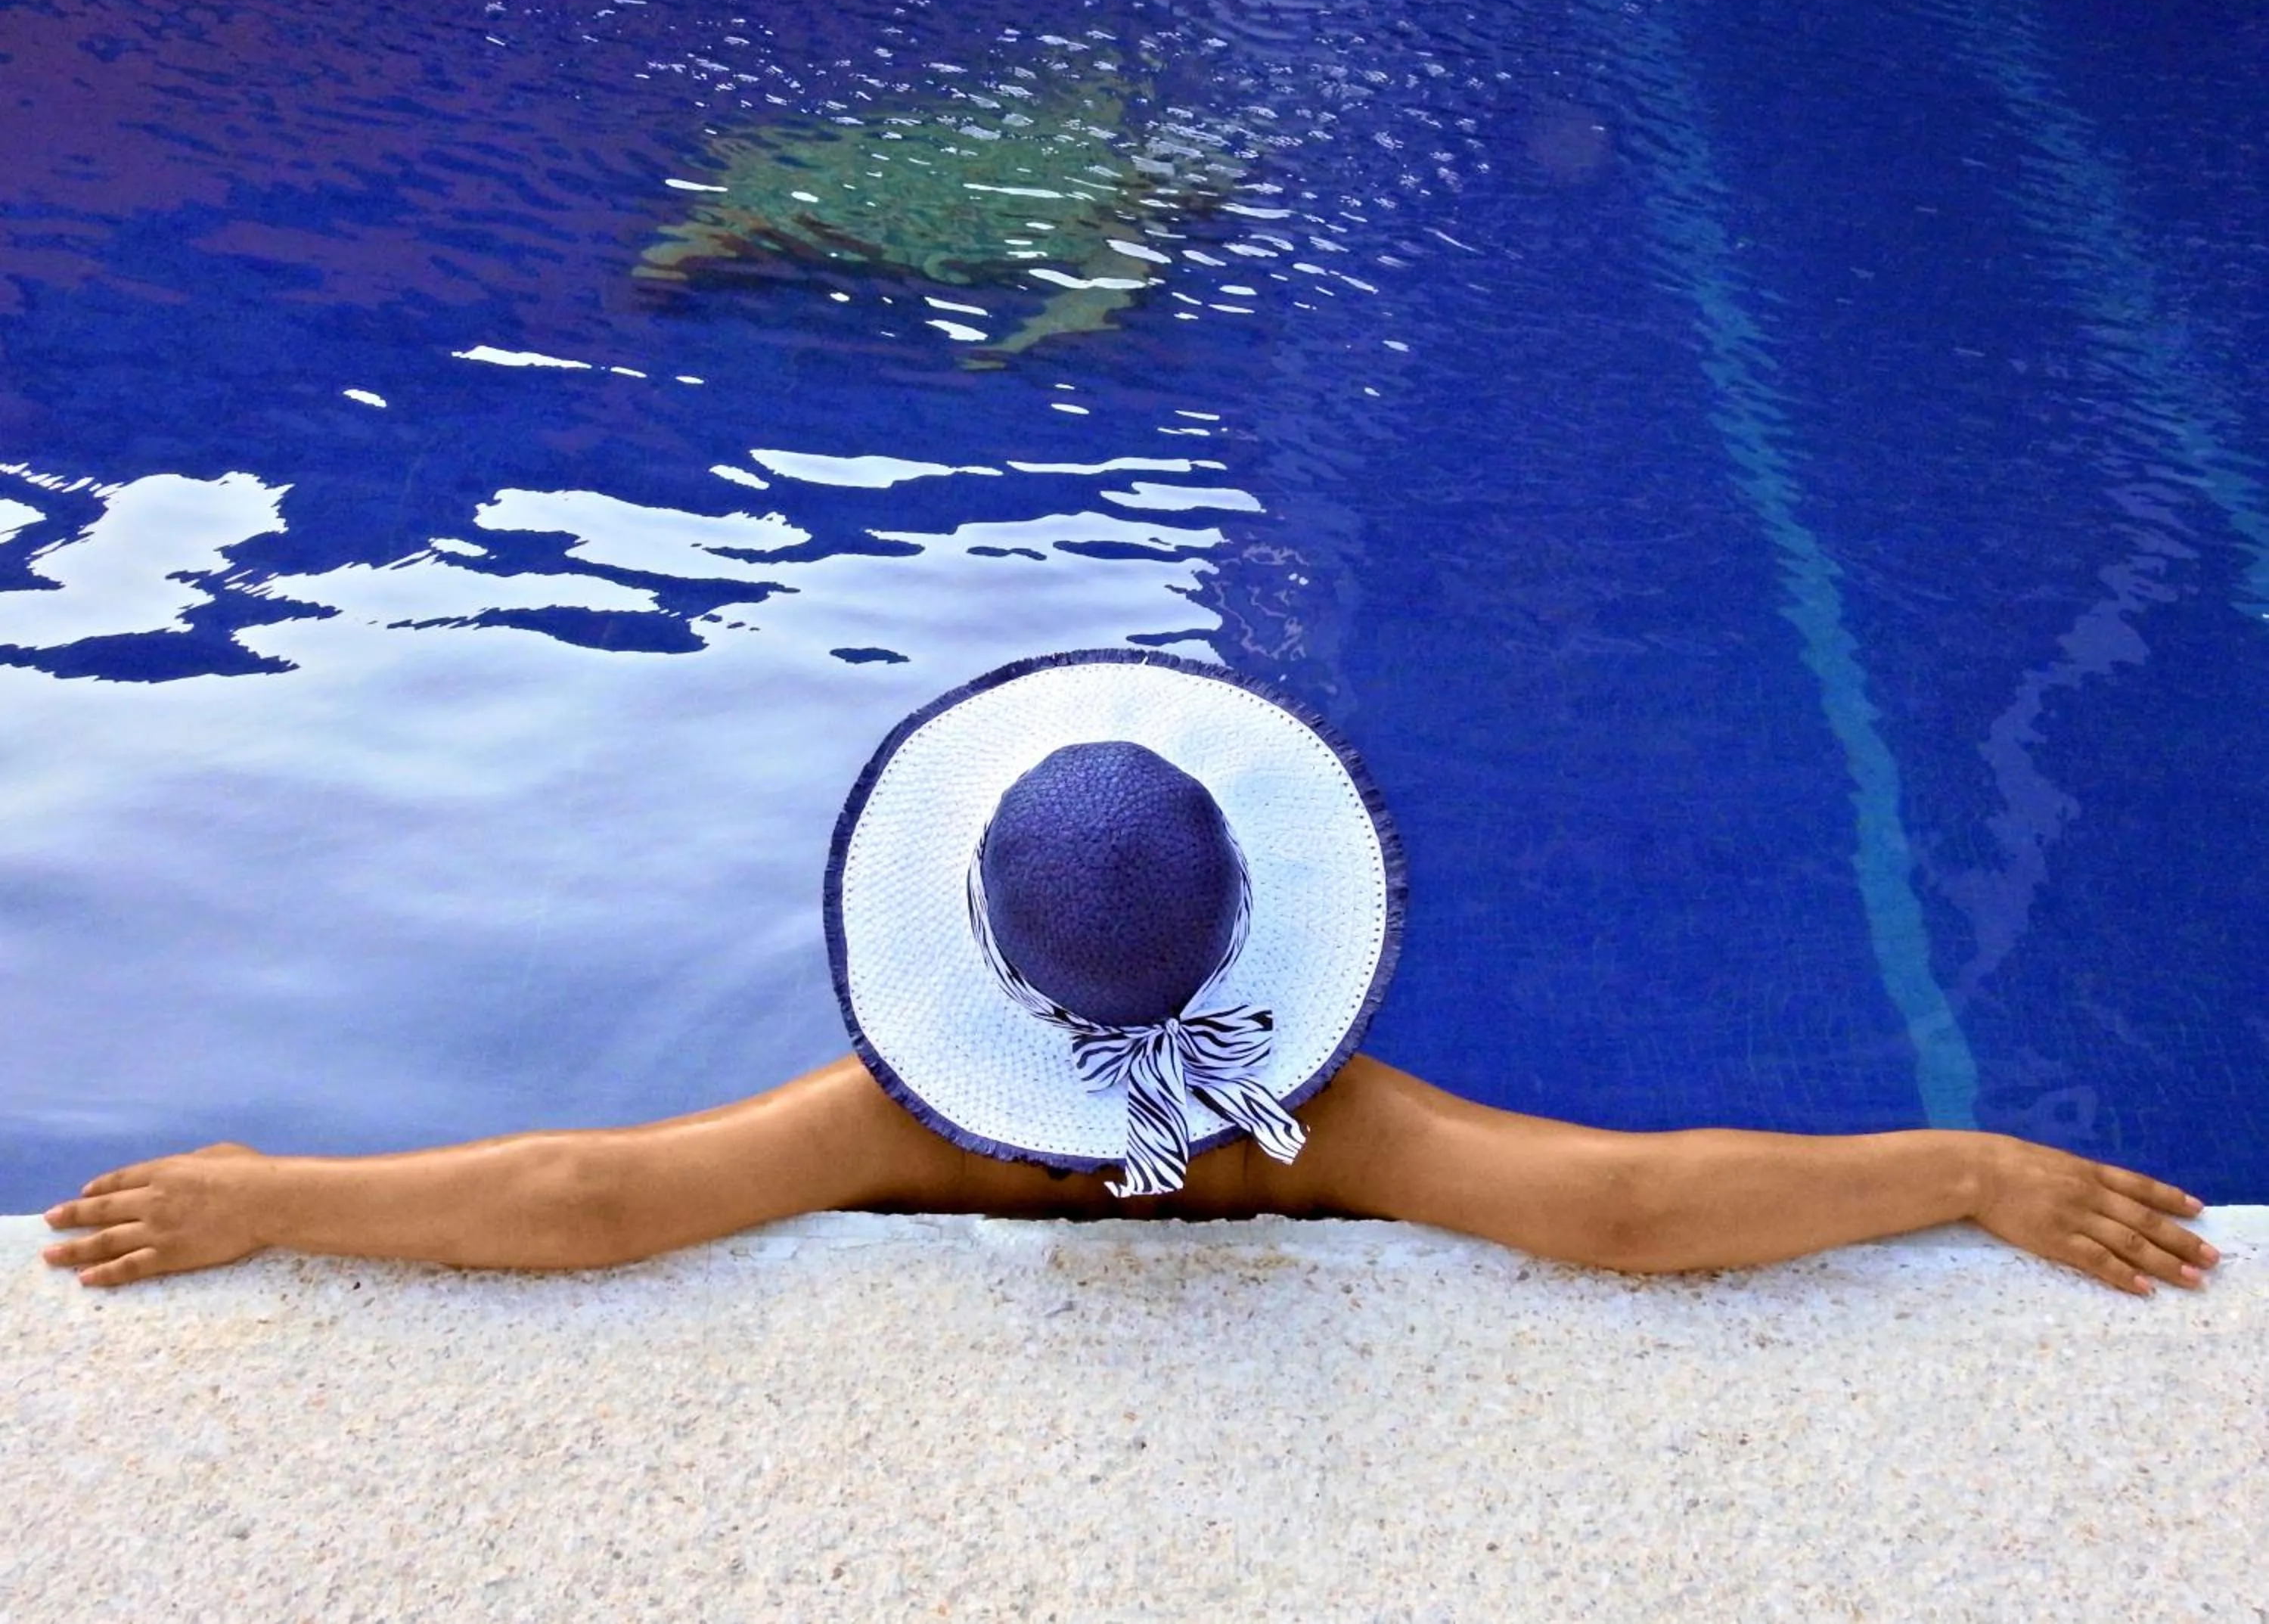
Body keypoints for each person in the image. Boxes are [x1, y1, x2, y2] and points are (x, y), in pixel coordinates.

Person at [40, 651, 2218, 1300]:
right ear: (1254, 936)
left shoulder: (907, 1128)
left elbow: (588, 1202)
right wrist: (1957, 1173)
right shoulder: (1329, 1122)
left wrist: (272, 1191)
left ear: (965, 964)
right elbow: (1626, 1210)